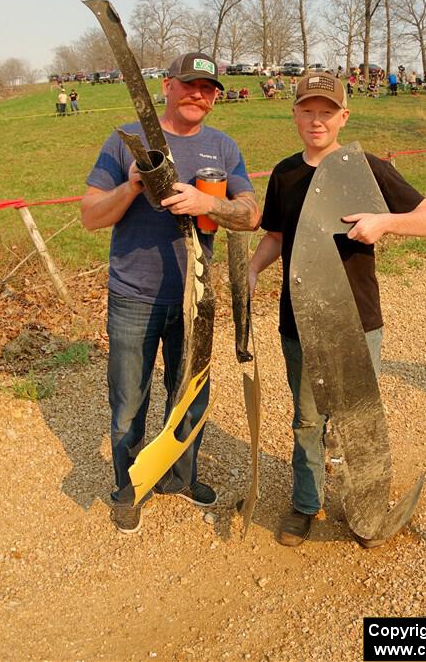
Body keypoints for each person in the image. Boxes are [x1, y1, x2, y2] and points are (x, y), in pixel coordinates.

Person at [248, 72, 426, 547]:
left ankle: (368, 509)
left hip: (357, 319)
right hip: (299, 319)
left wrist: (385, 222)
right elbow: (275, 237)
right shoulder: (284, 173)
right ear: (294, 114)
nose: (317, 120)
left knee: (358, 418)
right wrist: (252, 272)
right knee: (308, 419)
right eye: (307, 110)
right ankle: (305, 504)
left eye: (327, 112)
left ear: (343, 117)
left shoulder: (366, 168)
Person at [81, 52, 261, 534]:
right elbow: (90, 215)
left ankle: (178, 479)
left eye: (208, 88)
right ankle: (129, 488)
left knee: (190, 397)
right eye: (189, 85)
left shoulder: (223, 147)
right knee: (127, 403)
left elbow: (250, 214)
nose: (198, 94)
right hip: (133, 293)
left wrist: (208, 203)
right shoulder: (127, 143)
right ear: (167, 87)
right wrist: (133, 188)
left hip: (195, 298)